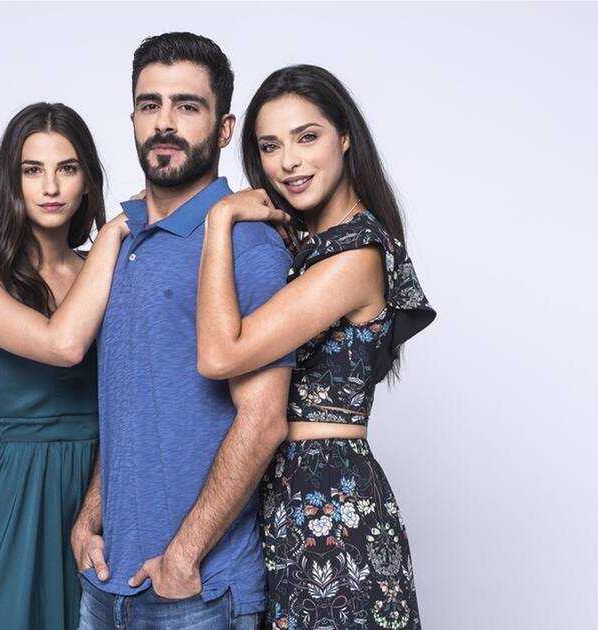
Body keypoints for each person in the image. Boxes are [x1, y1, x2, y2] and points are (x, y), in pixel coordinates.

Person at [194, 65, 437, 630]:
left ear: (344, 137)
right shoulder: (310, 248)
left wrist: (218, 219)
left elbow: (219, 355)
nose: (289, 162)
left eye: (307, 137)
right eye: (270, 146)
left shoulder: (356, 255)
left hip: (331, 505)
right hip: (288, 497)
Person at [70, 33, 295, 630]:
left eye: (187, 106)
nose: (164, 123)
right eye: (150, 105)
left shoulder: (247, 244)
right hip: (105, 585)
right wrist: (90, 517)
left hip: (197, 593)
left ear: (224, 129)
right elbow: (133, 403)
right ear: (132, 118)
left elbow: (263, 419)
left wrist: (184, 554)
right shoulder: (122, 241)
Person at [0, 102, 131, 629]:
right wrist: (112, 235)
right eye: (32, 170)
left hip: (106, 485)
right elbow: (63, 345)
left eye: (67, 168)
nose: (50, 186)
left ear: (87, 182)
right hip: (19, 495)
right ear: (12, 182)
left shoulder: (107, 269)